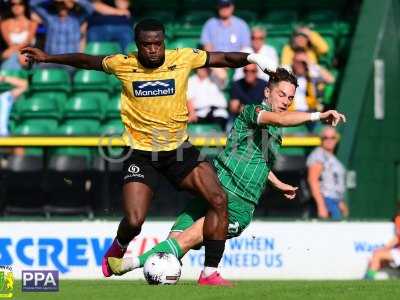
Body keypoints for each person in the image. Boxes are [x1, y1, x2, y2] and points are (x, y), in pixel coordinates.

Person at [22, 18, 279, 285]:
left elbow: (223, 57)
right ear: (138, 45)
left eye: (158, 43)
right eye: (147, 45)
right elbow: (87, 61)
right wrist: (49, 56)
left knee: (218, 199)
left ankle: (209, 272)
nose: (153, 49)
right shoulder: (124, 64)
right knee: (134, 221)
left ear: (164, 42)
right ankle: (119, 247)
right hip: (141, 154)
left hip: (179, 151)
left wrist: (253, 58)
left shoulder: (182, 58)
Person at [106, 68, 346, 285]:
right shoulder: (254, 112)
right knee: (174, 242)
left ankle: (129, 264)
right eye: (282, 94)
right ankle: (170, 280)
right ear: (267, 92)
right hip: (213, 190)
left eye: (291, 97)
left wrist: (278, 183)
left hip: (239, 205)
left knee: (185, 240)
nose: (286, 101)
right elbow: (282, 118)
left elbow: (260, 163)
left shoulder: (276, 129)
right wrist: (318, 115)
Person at [307, 126, 348, 220]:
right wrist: (321, 206)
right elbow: (313, 180)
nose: (329, 140)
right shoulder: (319, 155)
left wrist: (340, 202)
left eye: (332, 137)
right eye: (326, 138)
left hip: (335, 200)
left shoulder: (332, 157)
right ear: (321, 139)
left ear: (337, 139)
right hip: (326, 200)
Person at [0, 0, 37, 70]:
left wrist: (19, 52)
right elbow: (10, 44)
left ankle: (7, 78)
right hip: (13, 54)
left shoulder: (33, 23)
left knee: (19, 58)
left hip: (28, 54)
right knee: (13, 59)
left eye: (20, 3)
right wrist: (17, 53)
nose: (16, 6)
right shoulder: (4, 24)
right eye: (13, 4)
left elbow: (28, 42)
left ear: (25, 5)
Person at [365, 212, 400, 280]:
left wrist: (385, 248)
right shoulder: (398, 218)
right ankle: (368, 278)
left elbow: (397, 238)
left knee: (377, 255)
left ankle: (368, 279)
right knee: (377, 256)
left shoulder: (398, 219)